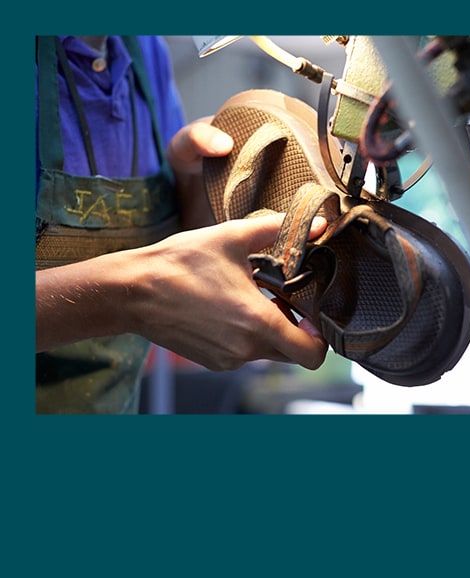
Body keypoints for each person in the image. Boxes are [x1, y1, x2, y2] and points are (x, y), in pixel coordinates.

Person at [35, 35, 328, 414]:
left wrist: (194, 184)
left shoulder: (144, 50)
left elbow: (173, 251)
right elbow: (152, 281)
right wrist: (132, 297)